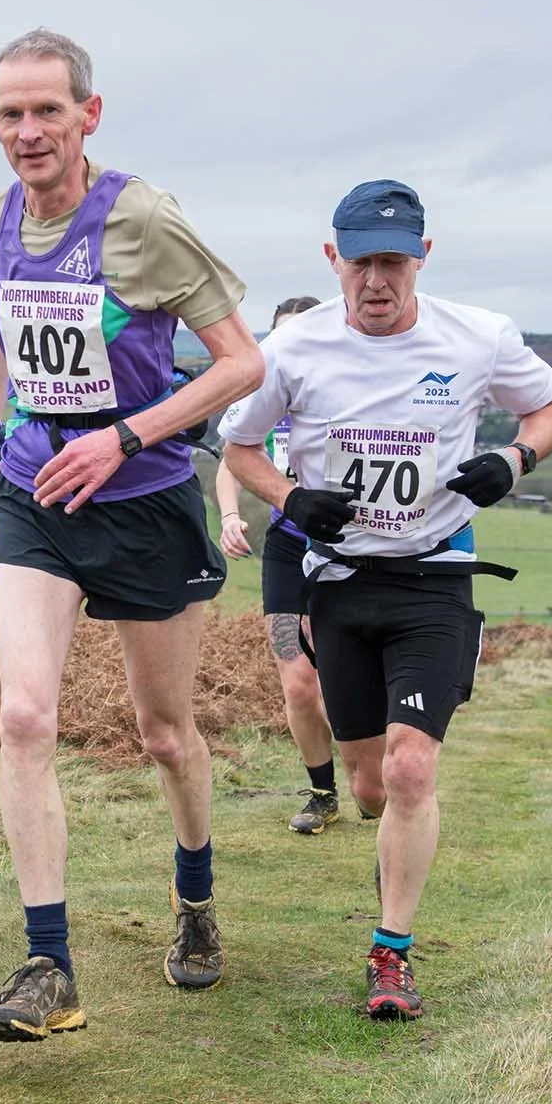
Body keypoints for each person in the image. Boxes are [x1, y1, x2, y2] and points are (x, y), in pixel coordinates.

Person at [0, 29, 265, 1043]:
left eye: (48, 110)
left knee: (165, 733)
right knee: (22, 716)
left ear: (89, 114)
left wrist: (124, 434)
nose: (28, 130)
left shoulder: (141, 221)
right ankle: (47, 962)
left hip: (144, 501)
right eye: (11, 112)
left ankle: (195, 900)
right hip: (36, 497)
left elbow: (238, 364)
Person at [220, 180, 552, 1022]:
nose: (377, 281)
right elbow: (235, 445)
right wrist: (292, 497)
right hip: (341, 581)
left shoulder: (479, 336)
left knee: (414, 767)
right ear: (332, 258)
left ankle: (392, 952)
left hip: (436, 575)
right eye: (361, 261)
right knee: (370, 782)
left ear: (422, 259)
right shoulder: (294, 345)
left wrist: (514, 460)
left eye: (394, 262)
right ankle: (381, 832)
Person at [216, 296, 341, 834]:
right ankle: (322, 792)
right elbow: (231, 462)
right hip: (288, 546)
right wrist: (228, 517)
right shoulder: (263, 397)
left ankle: (374, 768)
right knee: (297, 682)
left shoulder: (347, 389)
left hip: (350, 548)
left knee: (347, 676)